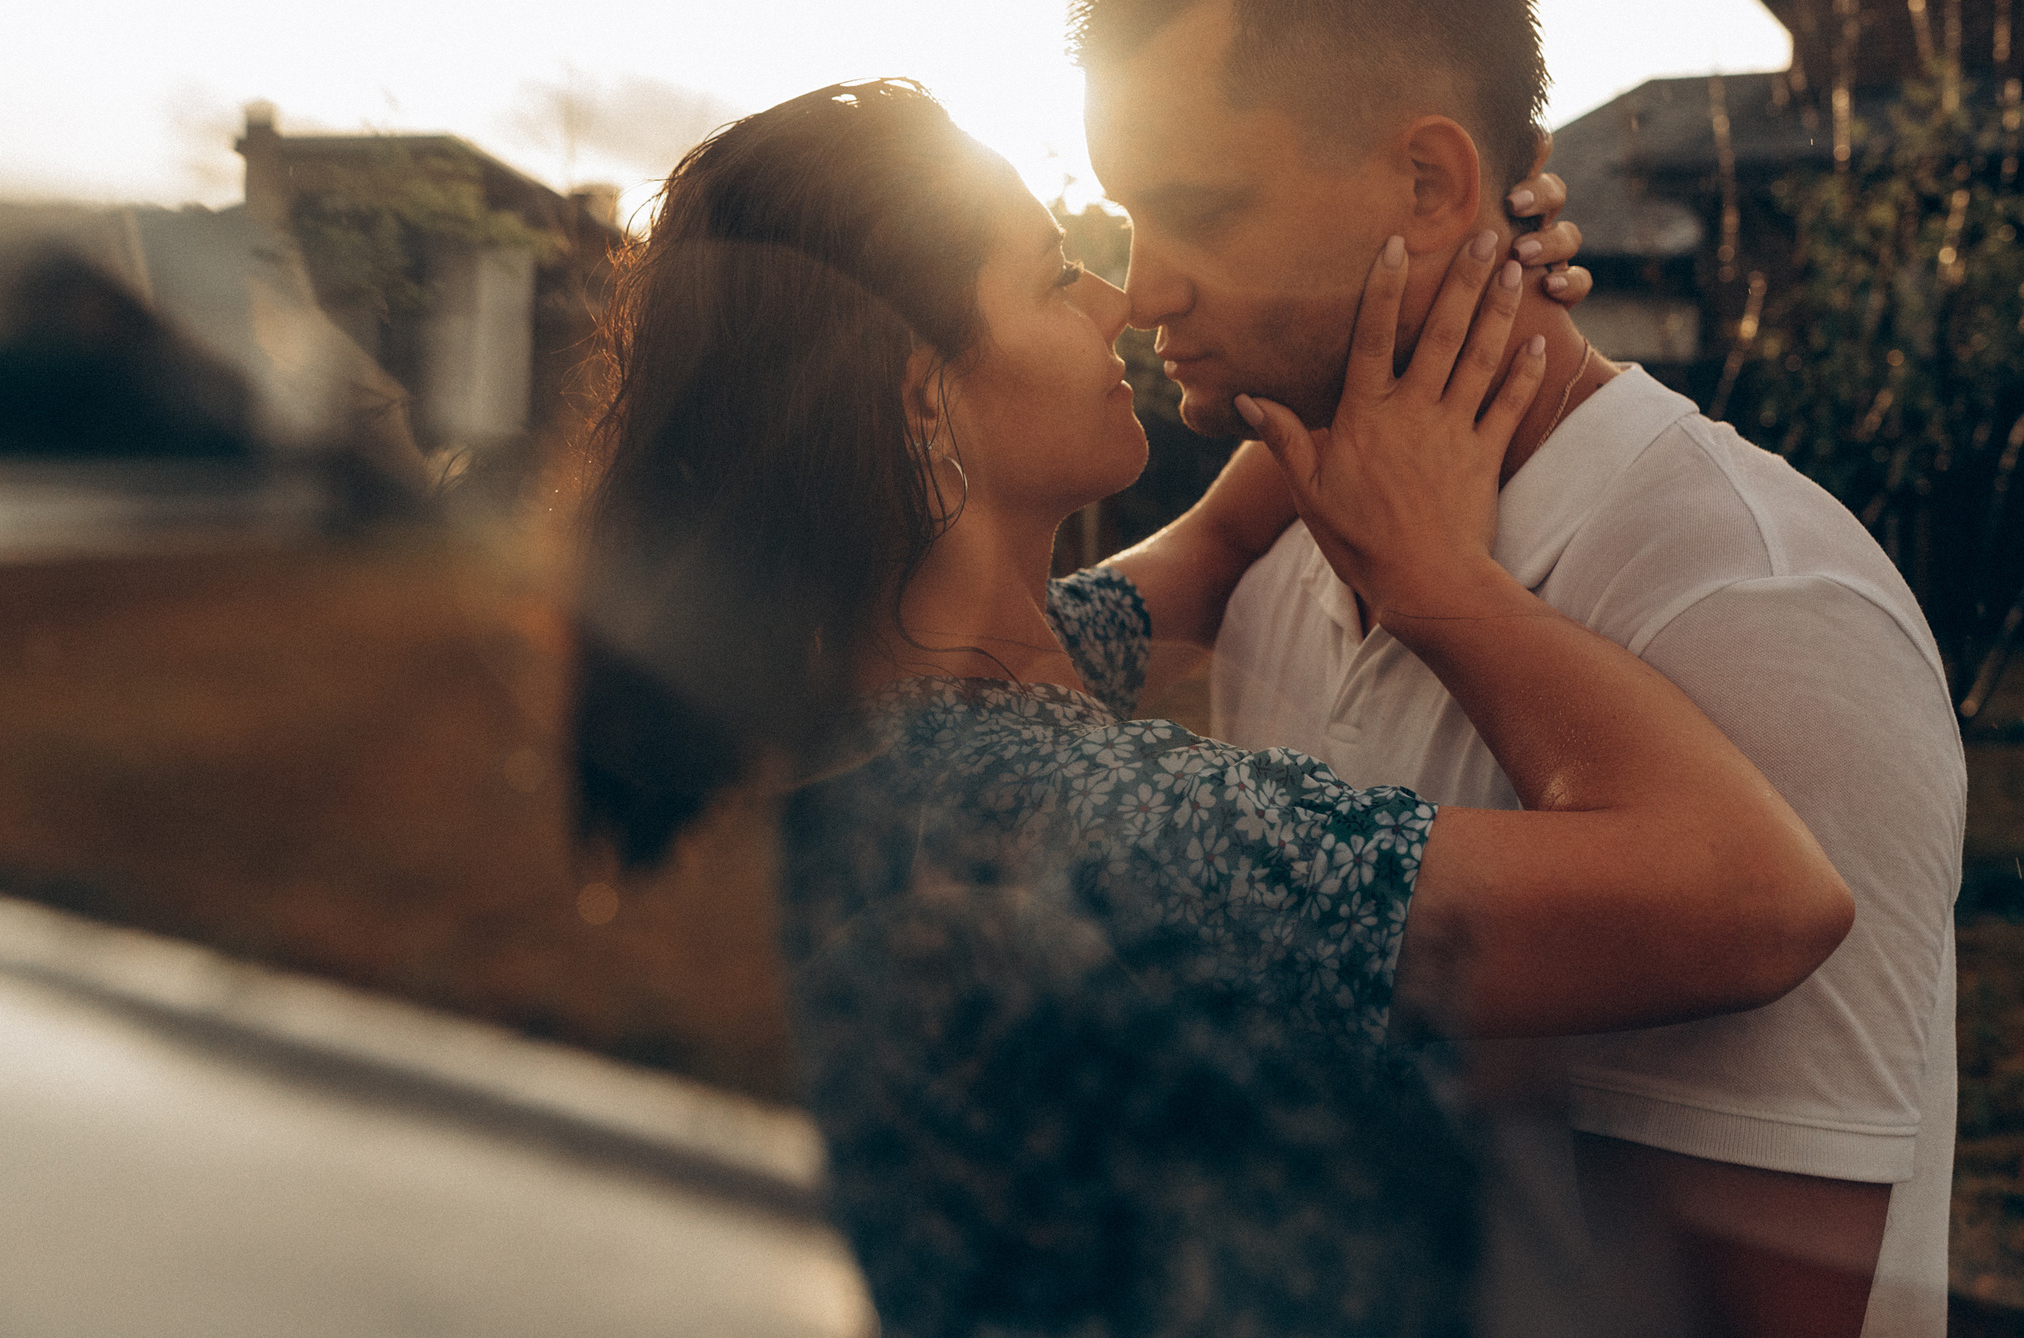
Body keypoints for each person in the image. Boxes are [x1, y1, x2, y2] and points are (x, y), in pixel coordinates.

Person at [571, 76, 1853, 1337]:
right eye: (1049, 278)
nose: (1118, 297)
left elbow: (1206, 548)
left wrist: (1406, 297)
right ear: (922, 400)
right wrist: (1443, 584)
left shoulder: (899, 706)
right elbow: (1758, 901)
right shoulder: (1106, 826)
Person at [1073, 0, 1966, 1338]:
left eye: (1201, 207)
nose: (1142, 284)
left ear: (1430, 182)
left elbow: (1746, 1317)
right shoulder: (1278, 557)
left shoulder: (1750, 604)